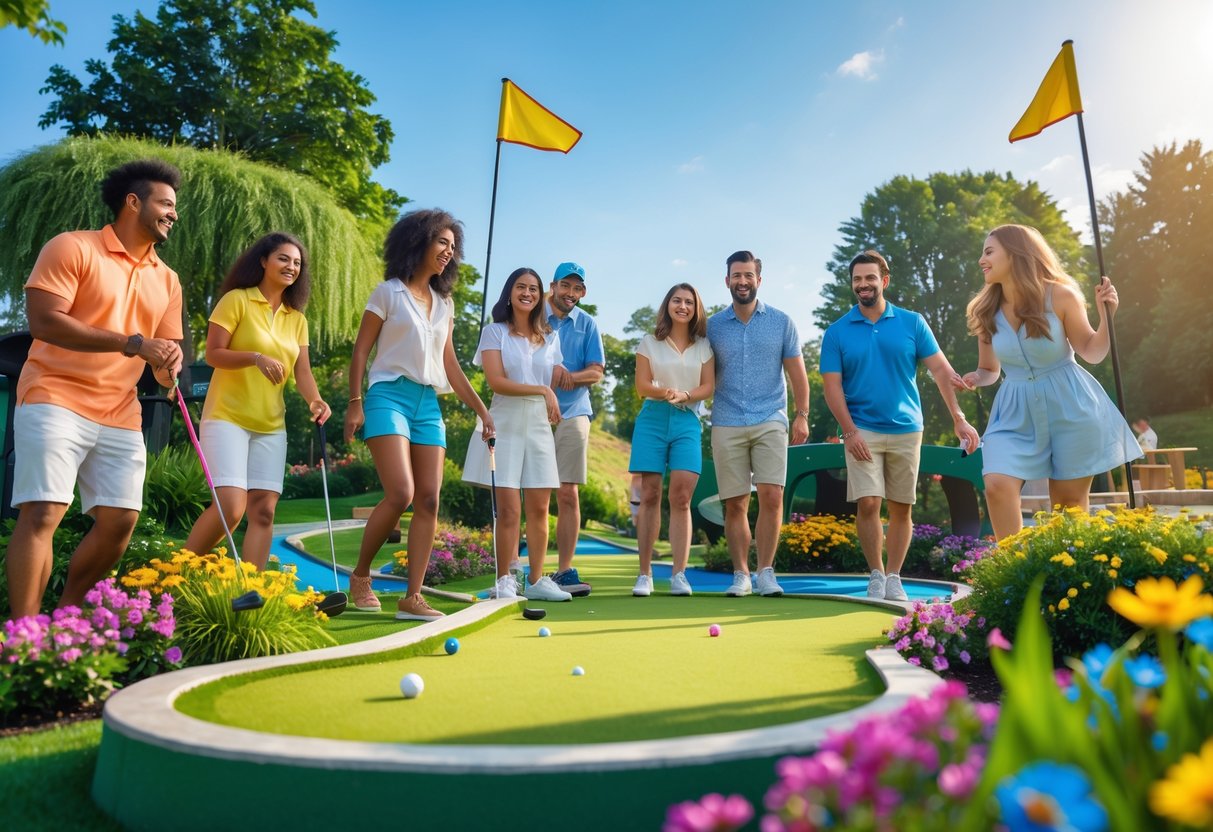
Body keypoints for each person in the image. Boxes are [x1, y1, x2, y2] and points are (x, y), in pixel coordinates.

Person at [5, 159, 184, 618]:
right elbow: (45, 322)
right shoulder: (72, 247)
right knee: (44, 512)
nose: (173, 214)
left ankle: (64, 620)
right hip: (54, 395)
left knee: (120, 520)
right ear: (133, 202)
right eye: (165, 203)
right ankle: (25, 634)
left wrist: (167, 367)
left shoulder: (168, 279)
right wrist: (134, 344)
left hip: (120, 411)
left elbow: (163, 358)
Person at [344, 209, 494, 621]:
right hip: (387, 396)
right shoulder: (387, 293)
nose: (448, 251)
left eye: (452, 245)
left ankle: (412, 597)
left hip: (428, 404)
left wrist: (481, 409)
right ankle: (361, 575)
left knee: (429, 497)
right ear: (419, 242)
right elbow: (361, 351)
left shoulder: (445, 303)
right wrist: (354, 401)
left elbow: (450, 364)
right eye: (441, 242)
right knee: (402, 493)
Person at [956, 224, 1141, 540]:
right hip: (1014, 412)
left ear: (1016, 254)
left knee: (1068, 508)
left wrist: (1105, 316)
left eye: (988, 252)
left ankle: (1066, 581)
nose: (980, 260)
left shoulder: (1061, 295)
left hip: (1071, 407)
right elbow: (989, 369)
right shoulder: (985, 310)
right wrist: (977, 377)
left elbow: (1092, 352)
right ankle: (1013, 574)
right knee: (997, 484)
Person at [820, 250, 981, 601]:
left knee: (902, 506)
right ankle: (876, 573)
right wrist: (848, 431)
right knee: (868, 503)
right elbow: (832, 387)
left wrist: (959, 417)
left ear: (884, 280)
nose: (863, 285)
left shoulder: (912, 323)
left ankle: (895, 576)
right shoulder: (837, 332)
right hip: (861, 429)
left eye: (869, 278)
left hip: (907, 428)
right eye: (857, 279)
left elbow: (941, 370)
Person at [182, 232, 331, 569]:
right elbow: (215, 355)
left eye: (296, 263)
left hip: (270, 426)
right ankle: (174, 578)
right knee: (231, 507)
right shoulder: (237, 300)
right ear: (263, 261)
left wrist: (316, 401)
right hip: (227, 417)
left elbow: (302, 373)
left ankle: (253, 593)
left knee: (263, 510)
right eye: (283, 258)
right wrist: (254, 357)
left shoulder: (297, 319)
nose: (291, 266)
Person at [463, 268, 572, 602]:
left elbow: (553, 379)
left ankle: (538, 580)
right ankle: (505, 581)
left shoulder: (550, 337)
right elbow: (496, 381)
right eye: (521, 287)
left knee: (540, 508)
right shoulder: (494, 333)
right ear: (509, 292)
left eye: (534, 289)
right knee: (508, 510)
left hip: (538, 424)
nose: (528, 293)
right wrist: (543, 390)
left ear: (542, 296)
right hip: (505, 420)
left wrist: (548, 394)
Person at [707, 251, 811, 597]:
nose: (742, 281)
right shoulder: (712, 327)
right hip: (726, 420)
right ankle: (741, 574)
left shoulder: (781, 322)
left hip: (771, 418)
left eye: (748, 275)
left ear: (758, 280)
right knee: (734, 503)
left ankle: (766, 572)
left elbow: (798, 372)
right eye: (736, 275)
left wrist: (802, 415)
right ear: (727, 281)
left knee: (771, 495)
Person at [629, 283, 715, 597]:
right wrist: (666, 391)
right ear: (668, 305)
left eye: (688, 302)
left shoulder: (704, 346)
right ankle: (645, 574)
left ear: (696, 308)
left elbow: (708, 387)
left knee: (680, 497)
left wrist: (686, 394)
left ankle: (679, 574)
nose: (682, 306)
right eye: (677, 301)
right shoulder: (649, 342)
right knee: (650, 494)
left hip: (687, 422)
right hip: (652, 417)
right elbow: (641, 385)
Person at [543, 262, 605, 597]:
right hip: (535, 410)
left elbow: (596, 371)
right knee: (533, 491)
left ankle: (565, 570)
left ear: (583, 293)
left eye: (577, 288)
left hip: (574, 412)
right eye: (565, 285)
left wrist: (569, 377)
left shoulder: (588, 324)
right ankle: (522, 569)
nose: (570, 293)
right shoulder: (533, 315)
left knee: (567, 492)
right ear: (553, 286)